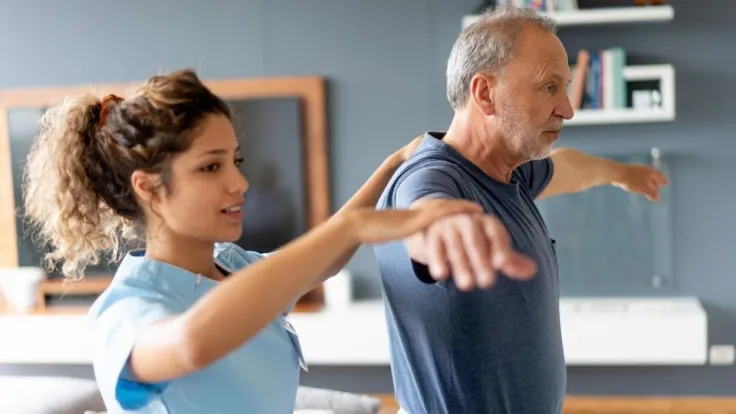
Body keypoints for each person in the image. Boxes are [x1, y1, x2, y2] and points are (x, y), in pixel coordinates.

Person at [21, 69, 534, 413]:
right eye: (211, 167)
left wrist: (395, 165)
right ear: (150, 188)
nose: (239, 183)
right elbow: (189, 344)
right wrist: (353, 227)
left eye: (235, 161)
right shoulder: (127, 310)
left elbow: (319, 262)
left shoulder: (235, 265)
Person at [374, 6, 670, 414]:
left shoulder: (508, 174)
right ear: (484, 93)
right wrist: (450, 233)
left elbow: (568, 167)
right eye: (549, 87)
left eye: (565, 88)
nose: (567, 109)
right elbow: (424, 216)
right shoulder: (430, 177)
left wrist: (621, 173)